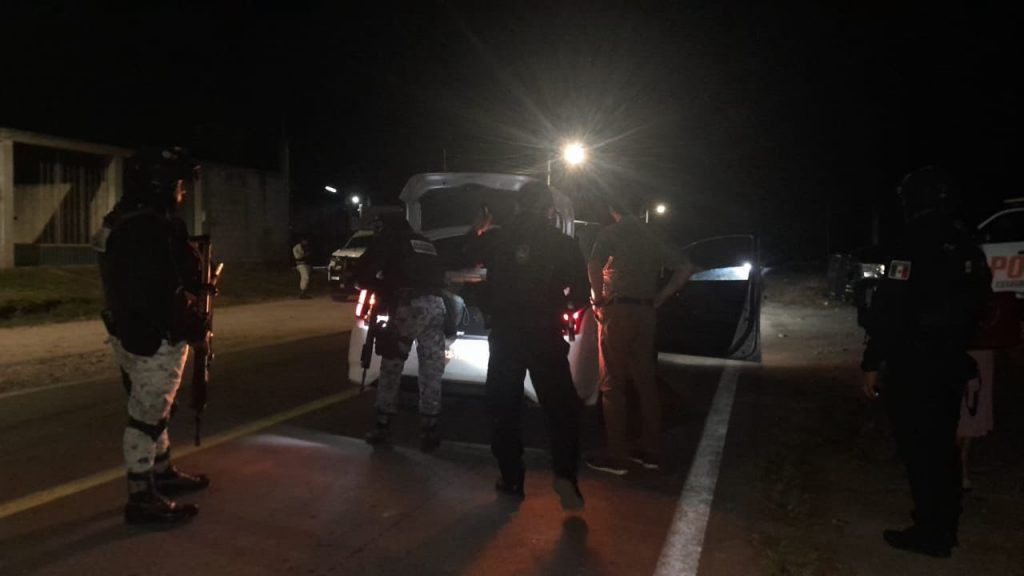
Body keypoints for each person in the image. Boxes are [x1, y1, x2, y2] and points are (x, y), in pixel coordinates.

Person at [860, 166, 992, 557]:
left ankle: (931, 532)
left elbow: (889, 308)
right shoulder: (964, 242)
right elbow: (981, 303)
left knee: (920, 449)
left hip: (915, 365)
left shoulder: (910, 243)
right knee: (943, 448)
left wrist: (872, 361)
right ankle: (944, 525)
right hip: (951, 362)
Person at [92, 147, 210, 524]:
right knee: (146, 418)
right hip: (153, 337)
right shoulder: (149, 228)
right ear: (160, 185)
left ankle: (162, 472)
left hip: (128, 330)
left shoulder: (121, 220)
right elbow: (163, 292)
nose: (182, 193)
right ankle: (141, 497)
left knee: (156, 408)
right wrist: (194, 328)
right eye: (179, 185)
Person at [464, 181, 590, 510]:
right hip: (545, 333)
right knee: (561, 408)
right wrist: (560, 305)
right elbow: (581, 294)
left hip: (506, 334)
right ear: (549, 209)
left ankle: (511, 478)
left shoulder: (497, 238)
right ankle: (565, 474)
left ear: (518, 206)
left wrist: (476, 230)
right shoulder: (564, 243)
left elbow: (467, 268)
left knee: (503, 406)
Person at [585, 197, 694, 475]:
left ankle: (617, 456)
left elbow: (593, 266)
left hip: (617, 311)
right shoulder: (654, 233)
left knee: (612, 382)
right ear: (642, 208)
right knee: (646, 381)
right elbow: (685, 267)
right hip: (646, 313)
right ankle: (651, 451)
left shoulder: (610, 233)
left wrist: (597, 299)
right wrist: (660, 298)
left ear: (612, 208)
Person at [352, 212, 447, 452]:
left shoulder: (390, 239)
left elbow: (361, 273)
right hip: (436, 307)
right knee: (431, 369)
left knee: (392, 364)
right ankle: (430, 429)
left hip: (409, 307)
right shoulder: (424, 242)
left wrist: (380, 286)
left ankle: (382, 425)